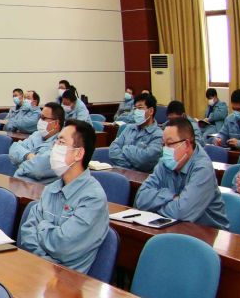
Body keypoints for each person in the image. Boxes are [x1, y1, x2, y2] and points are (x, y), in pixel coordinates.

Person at [16, 121, 109, 274]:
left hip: (67, 279)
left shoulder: (93, 198)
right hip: (38, 269)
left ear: (78, 154)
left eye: (61, 142)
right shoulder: (51, 188)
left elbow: (63, 246)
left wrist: (42, 226)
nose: (54, 147)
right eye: (56, 141)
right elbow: (27, 233)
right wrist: (45, 260)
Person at [134, 117, 227, 228]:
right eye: (163, 144)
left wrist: (155, 205)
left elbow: (181, 212)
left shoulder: (203, 168)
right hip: (176, 227)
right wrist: (172, 197)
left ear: (186, 144)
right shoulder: (166, 162)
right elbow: (140, 198)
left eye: (169, 144)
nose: (165, 150)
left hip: (208, 232)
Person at [107, 92, 162, 172]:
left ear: (151, 111)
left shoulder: (158, 134)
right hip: (121, 172)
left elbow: (145, 161)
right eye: (135, 108)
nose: (136, 111)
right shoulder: (129, 128)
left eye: (140, 108)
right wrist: (132, 167)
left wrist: (125, 148)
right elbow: (112, 151)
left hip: (142, 177)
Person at [11, 102, 64, 180]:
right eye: (40, 117)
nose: (40, 121)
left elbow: (38, 169)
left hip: (38, 186)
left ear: (56, 123)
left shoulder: (61, 143)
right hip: (19, 181)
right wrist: (27, 155)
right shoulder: (37, 134)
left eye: (43, 118)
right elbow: (14, 148)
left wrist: (20, 162)